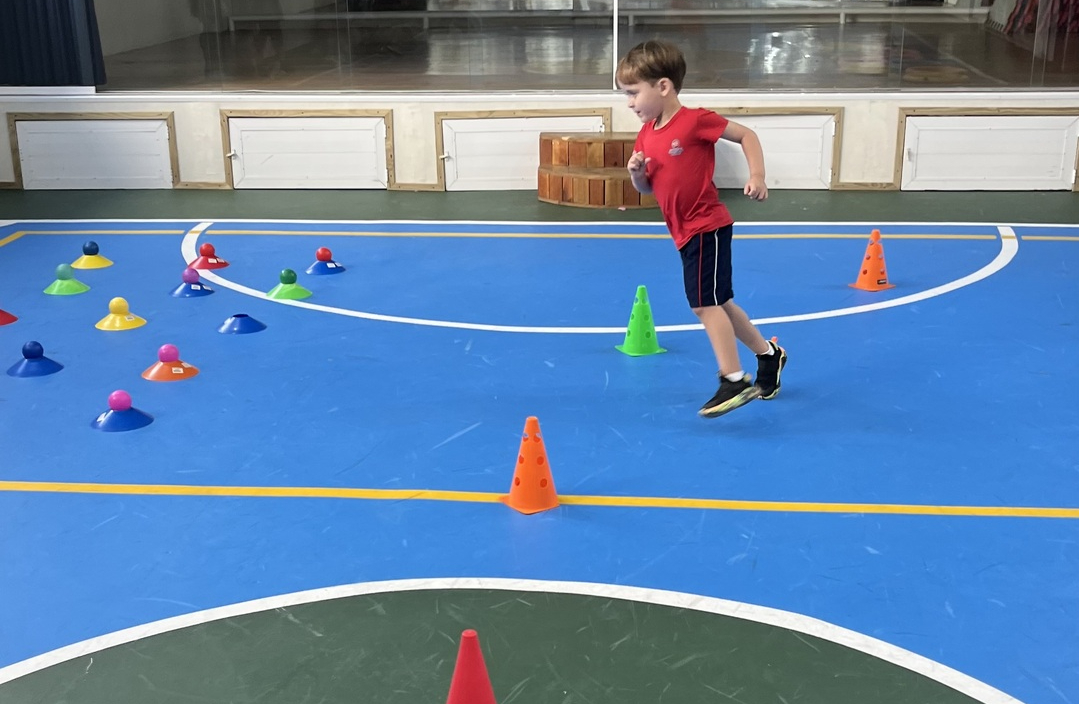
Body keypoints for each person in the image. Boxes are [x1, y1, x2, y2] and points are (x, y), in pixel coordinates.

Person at [617, 39, 787, 418]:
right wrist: (637, 174)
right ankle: (768, 355)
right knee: (721, 303)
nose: (629, 103)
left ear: (663, 86)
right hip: (683, 233)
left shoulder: (695, 121)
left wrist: (757, 175)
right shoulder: (646, 134)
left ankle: (733, 378)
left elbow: (746, 135)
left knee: (703, 305)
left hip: (705, 227)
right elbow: (648, 188)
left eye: (633, 92)